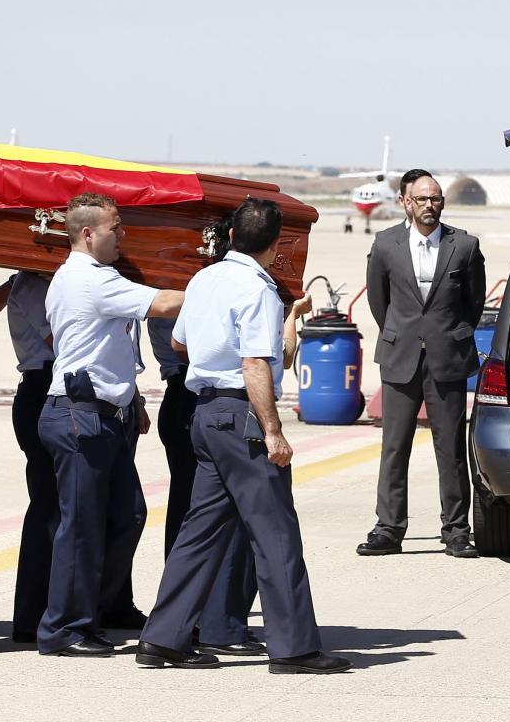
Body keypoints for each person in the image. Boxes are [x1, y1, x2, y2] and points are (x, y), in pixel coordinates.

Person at [137, 199, 348, 672]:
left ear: (231, 236)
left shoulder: (204, 279)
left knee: (200, 531)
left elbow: (178, 343)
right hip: (241, 417)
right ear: (275, 247)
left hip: (205, 414)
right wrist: (273, 431)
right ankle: (295, 648)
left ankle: (163, 639)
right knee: (275, 534)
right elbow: (255, 362)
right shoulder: (259, 290)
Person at [37, 193, 182, 656]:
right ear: (88, 233)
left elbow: (109, 350)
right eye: (116, 227)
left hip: (104, 414)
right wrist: (224, 288)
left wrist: (132, 398)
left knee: (127, 515)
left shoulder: (100, 277)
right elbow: (162, 304)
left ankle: (98, 609)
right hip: (80, 416)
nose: (123, 235)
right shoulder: (89, 279)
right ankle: (64, 629)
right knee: (81, 527)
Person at [356, 170, 487, 559]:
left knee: (450, 448)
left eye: (437, 198)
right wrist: (403, 334)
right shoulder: (385, 245)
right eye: (423, 199)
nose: (430, 205)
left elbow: (474, 303)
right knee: (394, 448)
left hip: (448, 358)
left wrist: (443, 334)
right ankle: (389, 528)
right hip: (401, 358)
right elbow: (380, 303)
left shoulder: (464, 245)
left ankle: (456, 531)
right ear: (405, 202)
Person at [149, 316, 262, 654]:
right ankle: (209, 621)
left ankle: (191, 618)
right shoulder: (192, 290)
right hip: (199, 394)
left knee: (196, 516)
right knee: (212, 519)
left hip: (192, 397)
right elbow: (182, 344)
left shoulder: (195, 287)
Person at [6, 271, 57, 644]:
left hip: (57, 387)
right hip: (43, 389)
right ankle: (32, 615)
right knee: (49, 507)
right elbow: (66, 341)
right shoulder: (34, 284)